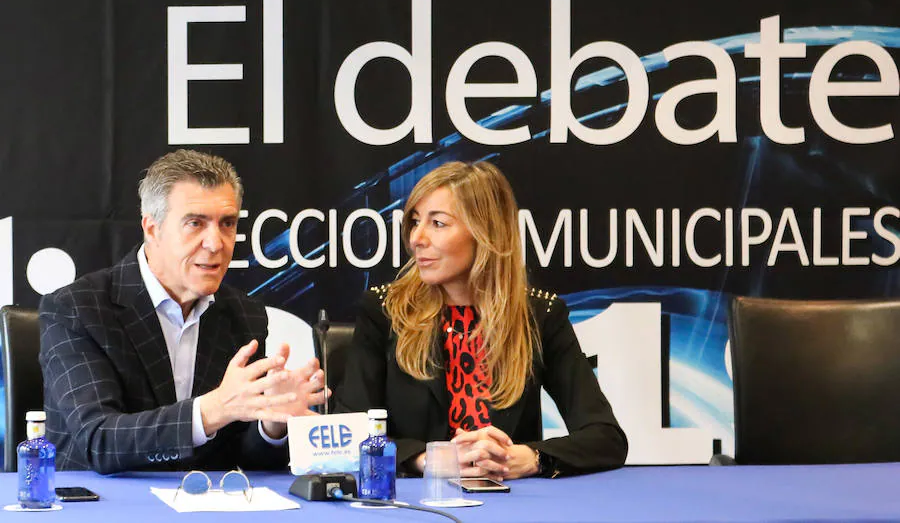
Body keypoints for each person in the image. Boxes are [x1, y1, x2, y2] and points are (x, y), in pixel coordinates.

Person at [39, 149, 326, 474]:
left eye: (227, 224)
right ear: (152, 229)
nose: (216, 243)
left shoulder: (245, 314)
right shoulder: (78, 309)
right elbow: (98, 440)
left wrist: (272, 422)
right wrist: (214, 409)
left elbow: (239, 455)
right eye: (195, 223)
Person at [335, 161, 627, 479]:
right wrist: (425, 460)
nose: (416, 238)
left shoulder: (539, 316)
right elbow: (350, 433)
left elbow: (606, 438)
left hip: (515, 504)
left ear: (484, 232)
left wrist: (533, 458)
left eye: (438, 224)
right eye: (415, 222)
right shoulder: (384, 311)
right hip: (419, 502)